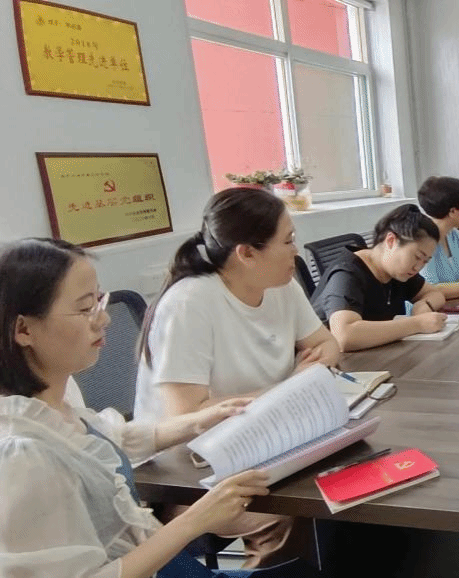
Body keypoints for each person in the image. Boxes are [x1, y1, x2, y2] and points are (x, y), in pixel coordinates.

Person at [0, 237, 300, 577]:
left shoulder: (56, 396)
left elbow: (108, 439)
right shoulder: (21, 456)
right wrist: (195, 520)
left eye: (99, 300)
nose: (103, 319)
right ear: (23, 329)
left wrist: (199, 421)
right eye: (85, 309)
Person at [134, 187, 339, 568]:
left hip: (271, 441)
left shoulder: (281, 286)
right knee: (300, 509)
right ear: (246, 253)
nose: (296, 251)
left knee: (346, 484)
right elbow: (187, 415)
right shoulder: (190, 303)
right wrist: (291, 387)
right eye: (288, 241)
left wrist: (308, 372)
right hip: (192, 469)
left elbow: (327, 344)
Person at [311, 204, 450, 351]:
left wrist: (423, 305)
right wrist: (417, 323)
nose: (418, 267)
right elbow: (344, 336)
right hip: (335, 360)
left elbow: (434, 293)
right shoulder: (347, 273)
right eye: (417, 257)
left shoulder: (398, 271)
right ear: (391, 241)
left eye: (425, 261)